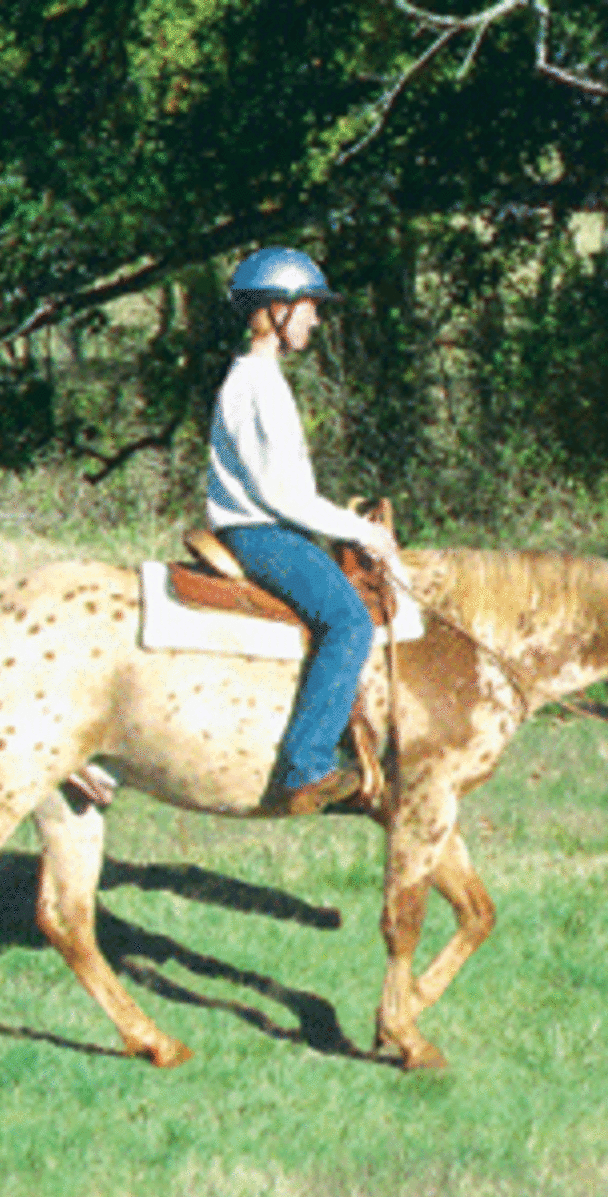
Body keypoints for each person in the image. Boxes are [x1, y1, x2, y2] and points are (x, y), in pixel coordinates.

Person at [206, 247, 399, 813]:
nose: (316, 319)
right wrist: (360, 531)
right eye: (309, 306)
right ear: (277, 310)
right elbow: (282, 494)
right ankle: (307, 765)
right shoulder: (259, 384)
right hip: (260, 532)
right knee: (349, 622)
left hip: (269, 528)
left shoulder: (259, 379)